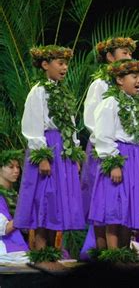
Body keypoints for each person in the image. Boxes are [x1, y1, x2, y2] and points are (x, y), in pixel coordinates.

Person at [15, 45, 85, 270]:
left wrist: (74, 153)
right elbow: (32, 126)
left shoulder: (62, 92)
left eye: (66, 63)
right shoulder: (39, 91)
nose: (64, 67)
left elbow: (71, 125)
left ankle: (52, 254)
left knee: (57, 203)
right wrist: (42, 156)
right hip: (47, 149)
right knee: (44, 200)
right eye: (60, 63)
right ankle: (39, 254)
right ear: (45, 65)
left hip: (63, 151)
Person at [88, 59, 139, 255]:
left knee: (129, 209)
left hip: (138, 158)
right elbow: (103, 135)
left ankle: (123, 252)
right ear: (120, 79)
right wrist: (113, 163)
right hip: (120, 156)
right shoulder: (110, 103)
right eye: (134, 77)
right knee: (116, 206)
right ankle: (113, 255)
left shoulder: (138, 104)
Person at [80, 37, 136, 257]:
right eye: (124, 52)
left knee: (120, 201)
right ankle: (102, 251)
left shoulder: (128, 88)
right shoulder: (101, 84)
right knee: (103, 201)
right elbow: (92, 120)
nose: (129, 57)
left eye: (130, 53)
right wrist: (109, 151)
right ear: (110, 57)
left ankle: (121, 251)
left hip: (123, 149)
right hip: (102, 148)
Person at [0, 150, 29, 264]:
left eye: (18, 167)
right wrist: (25, 211)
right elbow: (5, 228)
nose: (16, 171)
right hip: (6, 250)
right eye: (11, 167)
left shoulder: (14, 194)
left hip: (20, 243)